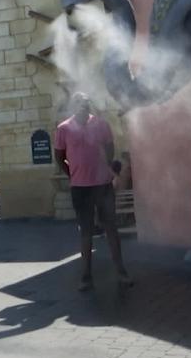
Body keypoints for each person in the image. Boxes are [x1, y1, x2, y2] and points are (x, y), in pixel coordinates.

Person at [54, 93, 132, 291]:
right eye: (80, 103)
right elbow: (59, 156)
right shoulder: (64, 129)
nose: (84, 106)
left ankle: (121, 272)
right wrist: (71, 174)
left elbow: (110, 147)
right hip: (80, 188)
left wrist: (105, 166)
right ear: (73, 106)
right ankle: (86, 276)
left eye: (87, 103)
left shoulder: (101, 125)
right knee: (86, 232)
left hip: (102, 185)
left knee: (111, 229)